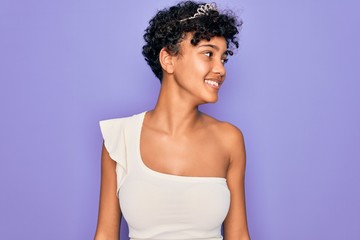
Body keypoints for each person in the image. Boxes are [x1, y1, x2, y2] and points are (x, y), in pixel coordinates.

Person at [94, 1, 250, 240]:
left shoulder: (229, 140)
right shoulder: (120, 138)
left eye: (223, 58)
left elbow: (238, 236)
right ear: (168, 60)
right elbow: (105, 234)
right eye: (208, 53)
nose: (221, 69)